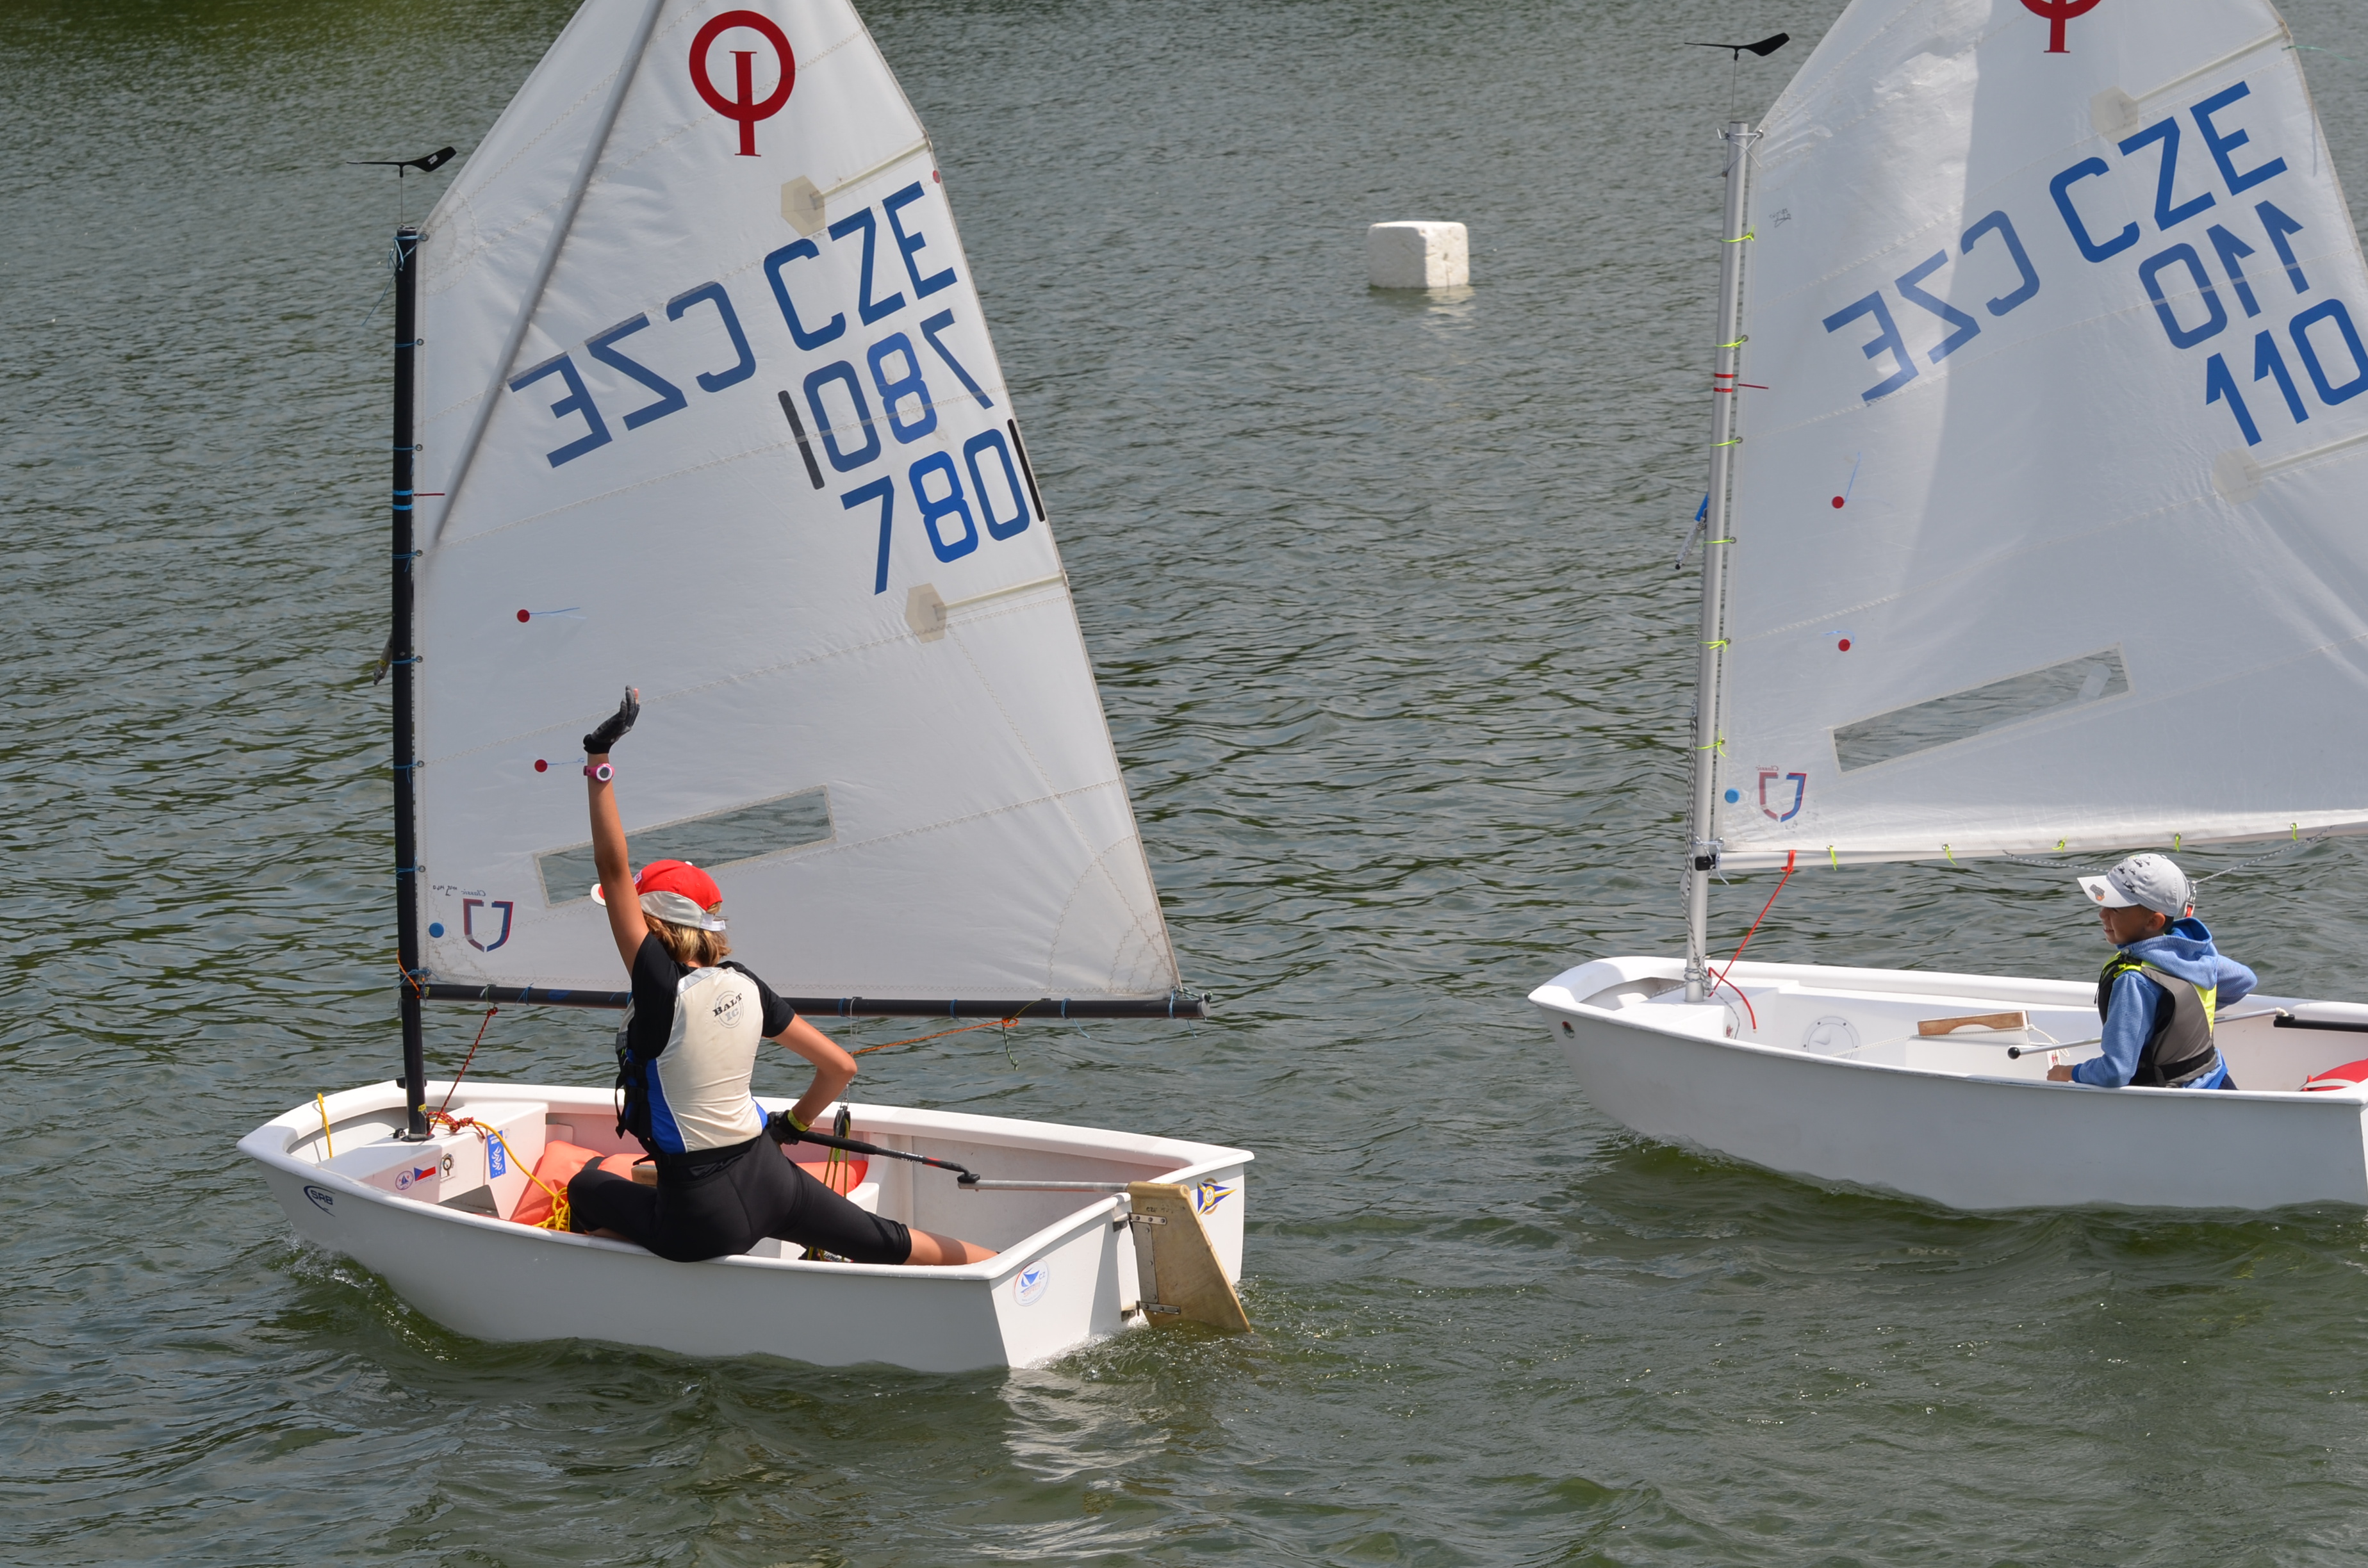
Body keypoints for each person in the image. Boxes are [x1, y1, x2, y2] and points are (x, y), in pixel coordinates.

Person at [564, 688, 995, 1266]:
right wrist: (791, 1126)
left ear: (652, 923)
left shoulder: (659, 986)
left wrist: (599, 759)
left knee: (587, 1188)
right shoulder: (746, 984)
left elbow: (612, 868)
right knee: (890, 1240)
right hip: (772, 1179)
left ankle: (607, 1278)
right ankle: (1010, 1266)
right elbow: (840, 1067)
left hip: (700, 1218)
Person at [2046, 853, 2256, 1090]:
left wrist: (2068, 1072)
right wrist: (2177, 1013)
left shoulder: (2133, 981)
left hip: (2175, 1103)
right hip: (2218, 1083)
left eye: (2115, 909)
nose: (2102, 914)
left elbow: (2116, 1071)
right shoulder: (2193, 952)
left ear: (2153, 922)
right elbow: (2244, 981)